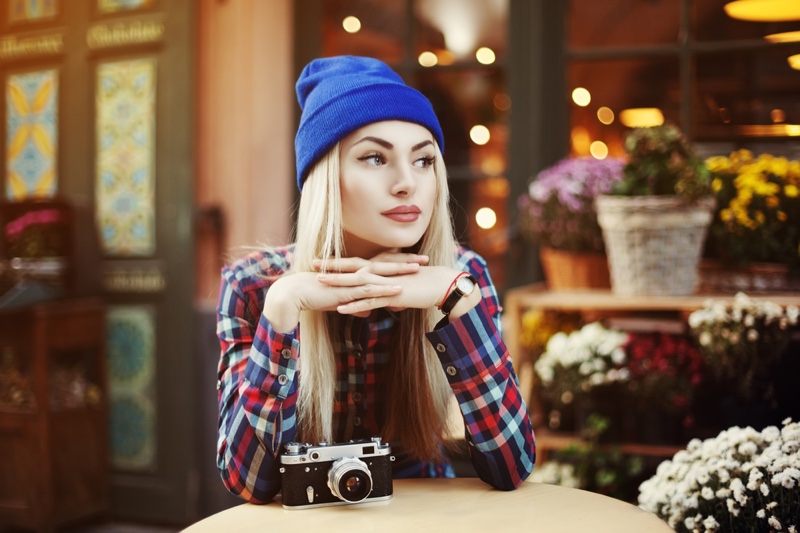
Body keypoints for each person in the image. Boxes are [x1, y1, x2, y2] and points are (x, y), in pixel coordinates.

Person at [215, 55, 536, 504]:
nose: (408, 183)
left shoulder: (460, 276)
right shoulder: (254, 285)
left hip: (425, 514)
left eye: (424, 160)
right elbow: (249, 482)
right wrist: (283, 310)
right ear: (325, 178)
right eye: (374, 157)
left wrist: (455, 302)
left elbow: (512, 465)